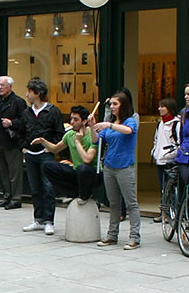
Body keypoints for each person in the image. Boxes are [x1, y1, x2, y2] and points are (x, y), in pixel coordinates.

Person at [91, 92, 142, 249]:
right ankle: (112, 235)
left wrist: (109, 125)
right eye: (111, 104)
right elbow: (96, 140)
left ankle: (134, 237)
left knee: (131, 203)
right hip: (109, 166)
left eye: (115, 104)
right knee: (113, 203)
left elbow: (129, 131)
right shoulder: (112, 123)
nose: (112, 107)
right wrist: (92, 126)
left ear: (123, 105)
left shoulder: (130, 121)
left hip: (125, 167)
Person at [21, 77, 64, 235]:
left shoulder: (52, 111)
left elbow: (59, 132)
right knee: (35, 188)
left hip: (46, 154)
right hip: (30, 154)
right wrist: (23, 147)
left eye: (29, 91)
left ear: (37, 93)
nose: (27, 95)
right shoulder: (27, 112)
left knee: (48, 188)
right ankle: (38, 219)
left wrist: (51, 148)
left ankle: (49, 221)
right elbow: (21, 131)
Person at [39, 105, 98, 203]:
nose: (72, 122)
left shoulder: (93, 135)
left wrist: (77, 141)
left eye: (76, 119)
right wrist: (43, 141)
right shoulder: (69, 134)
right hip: (76, 171)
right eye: (71, 119)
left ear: (84, 121)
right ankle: (73, 193)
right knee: (47, 166)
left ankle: (85, 196)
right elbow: (55, 149)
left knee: (82, 168)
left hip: (92, 173)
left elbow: (87, 159)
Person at [0, 75, 26, 210]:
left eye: (2, 85)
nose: (0, 88)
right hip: (0, 142)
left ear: (10, 86)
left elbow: (25, 121)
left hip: (12, 142)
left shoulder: (18, 102)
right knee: (4, 172)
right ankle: (7, 196)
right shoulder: (0, 102)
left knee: (14, 172)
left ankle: (16, 198)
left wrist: (12, 123)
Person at [150, 97, 180, 200]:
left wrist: (170, 154)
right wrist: (155, 152)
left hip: (171, 161)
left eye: (162, 107)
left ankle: (171, 208)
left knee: (171, 188)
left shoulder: (177, 124)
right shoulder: (160, 124)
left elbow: (179, 143)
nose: (159, 109)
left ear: (170, 108)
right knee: (162, 188)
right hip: (160, 160)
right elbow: (156, 140)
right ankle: (164, 208)